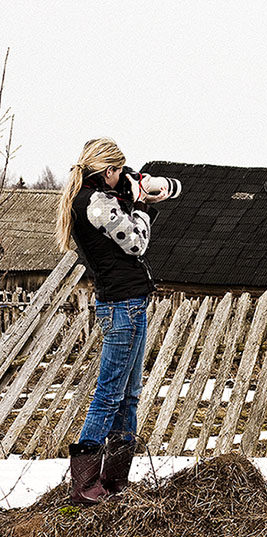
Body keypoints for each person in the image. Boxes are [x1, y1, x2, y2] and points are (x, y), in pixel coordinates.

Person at [55, 138, 169, 505]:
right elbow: (136, 244)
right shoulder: (95, 203)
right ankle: (85, 487)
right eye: (119, 171)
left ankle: (114, 480)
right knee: (109, 396)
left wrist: (134, 195)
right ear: (108, 171)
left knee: (128, 398)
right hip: (123, 307)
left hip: (128, 303)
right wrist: (142, 207)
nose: (123, 176)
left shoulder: (97, 198)